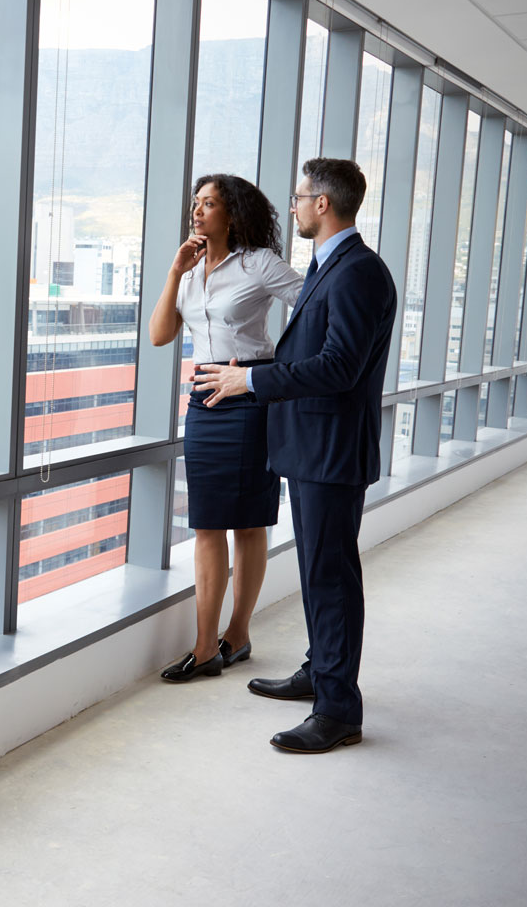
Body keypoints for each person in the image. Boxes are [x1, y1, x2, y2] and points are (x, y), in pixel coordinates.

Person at [194, 157, 397, 754]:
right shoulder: (331, 267)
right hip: (313, 449)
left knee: (330, 578)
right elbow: (313, 357)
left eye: (300, 196)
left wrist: (251, 385)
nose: (293, 205)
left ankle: (337, 710)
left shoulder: (357, 272)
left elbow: (339, 367)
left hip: (330, 451)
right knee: (319, 573)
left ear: (323, 205)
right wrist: (251, 370)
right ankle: (320, 671)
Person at [149, 174, 304, 683]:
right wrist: (175, 271)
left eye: (209, 203)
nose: (197, 211)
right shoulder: (192, 272)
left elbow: (315, 302)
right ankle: (204, 646)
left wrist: (267, 371)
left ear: (232, 214)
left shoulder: (258, 263)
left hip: (247, 398)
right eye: (195, 202)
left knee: (248, 522)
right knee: (206, 523)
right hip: (202, 402)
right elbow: (159, 335)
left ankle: (236, 635)